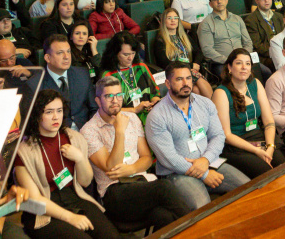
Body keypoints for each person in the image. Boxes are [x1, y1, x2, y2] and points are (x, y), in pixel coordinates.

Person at [81, 76, 190, 231]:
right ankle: (202, 231)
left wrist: (131, 169)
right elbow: (111, 168)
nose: (115, 100)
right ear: (98, 101)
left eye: (119, 95)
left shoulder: (132, 118)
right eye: (108, 96)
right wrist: (119, 131)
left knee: (163, 216)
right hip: (114, 193)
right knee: (164, 188)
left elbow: (146, 158)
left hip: (140, 182)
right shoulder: (89, 130)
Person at [14, 89, 122, 239]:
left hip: (74, 196)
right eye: (49, 112)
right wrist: (70, 217)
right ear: (37, 115)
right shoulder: (24, 151)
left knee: (111, 236)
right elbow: (34, 199)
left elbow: (85, 182)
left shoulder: (74, 138)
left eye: (59, 111)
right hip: (42, 209)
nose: (55, 117)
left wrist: (80, 159)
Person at [144, 62, 250, 211]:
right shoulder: (157, 116)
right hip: (178, 173)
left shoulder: (205, 103)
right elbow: (168, 158)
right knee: (203, 209)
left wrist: (205, 160)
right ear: (167, 83)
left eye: (188, 78)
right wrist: (204, 174)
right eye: (179, 79)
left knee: (249, 188)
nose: (185, 83)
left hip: (210, 162)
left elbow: (218, 136)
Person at [212, 49, 285, 178]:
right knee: (267, 173)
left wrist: (270, 147)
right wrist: (256, 151)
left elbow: (268, 122)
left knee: (284, 167)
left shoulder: (255, 84)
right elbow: (226, 135)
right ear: (229, 67)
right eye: (239, 63)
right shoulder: (221, 93)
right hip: (236, 145)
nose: (244, 67)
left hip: (258, 137)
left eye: (248, 63)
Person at [25, 35, 98, 131]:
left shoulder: (82, 74)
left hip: (86, 131)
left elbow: (94, 108)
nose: (66, 57)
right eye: (60, 53)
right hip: (55, 136)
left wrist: (90, 131)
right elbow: (32, 122)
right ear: (47, 58)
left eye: (68, 51)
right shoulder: (34, 85)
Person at [100, 32, 160, 124]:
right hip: (125, 120)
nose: (130, 58)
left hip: (150, 117)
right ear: (115, 53)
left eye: (133, 53)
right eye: (126, 54)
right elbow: (109, 109)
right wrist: (135, 110)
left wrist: (154, 104)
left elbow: (154, 93)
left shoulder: (141, 67)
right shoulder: (108, 75)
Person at [197, 0, 254, 77]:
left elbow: (248, 42)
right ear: (210, 4)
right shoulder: (205, 24)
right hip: (222, 64)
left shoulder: (237, 19)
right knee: (232, 77)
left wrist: (244, 58)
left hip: (243, 60)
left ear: (226, 0)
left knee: (264, 72)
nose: (219, 1)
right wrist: (229, 61)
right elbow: (207, 50)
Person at [243, 0, 284, 80]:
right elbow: (258, 46)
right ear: (256, 1)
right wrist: (276, 52)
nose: (266, 1)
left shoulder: (279, 16)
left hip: (282, 51)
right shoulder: (251, 20)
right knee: (279, 62)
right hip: (265, 56)